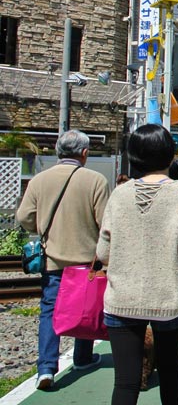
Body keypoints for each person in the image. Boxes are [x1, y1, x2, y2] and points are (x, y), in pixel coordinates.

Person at [96, 124, 178, 405]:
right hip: (168, 298)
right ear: (170, 155)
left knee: (126, 382)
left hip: (122, 298)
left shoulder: (119, 194)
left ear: (133, 157)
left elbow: (103, 251)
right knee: (170, 371)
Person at [16, 129, 108, 390]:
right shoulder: (96, 181)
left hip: (53, 260)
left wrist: (43, 227)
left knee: (49, 310)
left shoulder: (39, 180)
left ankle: (46, 368)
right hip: (87, 262)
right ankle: (82, 357)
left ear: (58, 152)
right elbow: (105, 223)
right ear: (85, 153)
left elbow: (24, 218)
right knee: (88, 308)